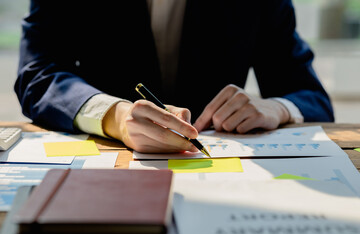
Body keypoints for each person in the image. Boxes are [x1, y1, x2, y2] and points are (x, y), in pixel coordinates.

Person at [15, 0, 334, 154]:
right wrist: (114, 115)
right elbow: (37, 73)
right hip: (107, 164)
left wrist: (276, 108)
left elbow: (312, 98)